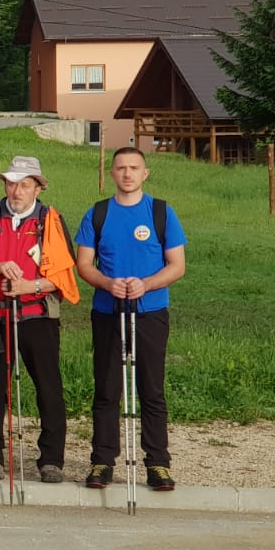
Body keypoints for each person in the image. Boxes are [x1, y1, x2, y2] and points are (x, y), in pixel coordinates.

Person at [0, 155, 77, 485]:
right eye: (11, 184)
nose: (16, 191)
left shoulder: (50, 221)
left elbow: (63, 275)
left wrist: (30, 286)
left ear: (37, 188)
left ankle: (51, 459)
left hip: (38, 315)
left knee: (48, 388)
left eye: (24, 185)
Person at [75, 147, 187, 492]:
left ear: (145, 173)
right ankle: (102, 460)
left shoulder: (161, 212)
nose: (127, 173)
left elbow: (177, 266)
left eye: (134, 168)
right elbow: (84, 265)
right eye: (121, 168)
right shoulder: (97, 213)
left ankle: (157, 463)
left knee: (151, 389)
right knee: (107, 389)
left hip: (150, 312)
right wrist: (108, 283)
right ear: (112, 173)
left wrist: (146, 284)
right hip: (108, 312)